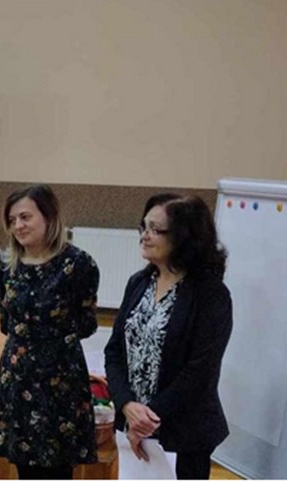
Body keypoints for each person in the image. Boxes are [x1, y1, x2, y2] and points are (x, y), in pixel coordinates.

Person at [104, 193, 232, 479]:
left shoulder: (211, 294)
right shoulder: (139, 283)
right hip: (132, 425)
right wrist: (127, 405)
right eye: (144, 227)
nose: (145, 236)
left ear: (184, 237)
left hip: (183, 432)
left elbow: (201, 370)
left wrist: (148, 418)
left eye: (156, 229)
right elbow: (114, 352)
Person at [0, 185, 100, 480]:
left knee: (58, 466)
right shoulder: (5, 264)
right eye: (12, 220)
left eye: (25, 217)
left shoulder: (78, 264)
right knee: (23, 465)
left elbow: (86, 323)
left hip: (60, 375)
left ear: (49, 217)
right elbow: (5, 319)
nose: (18, 226)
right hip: (17, 374)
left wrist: (50, 340)